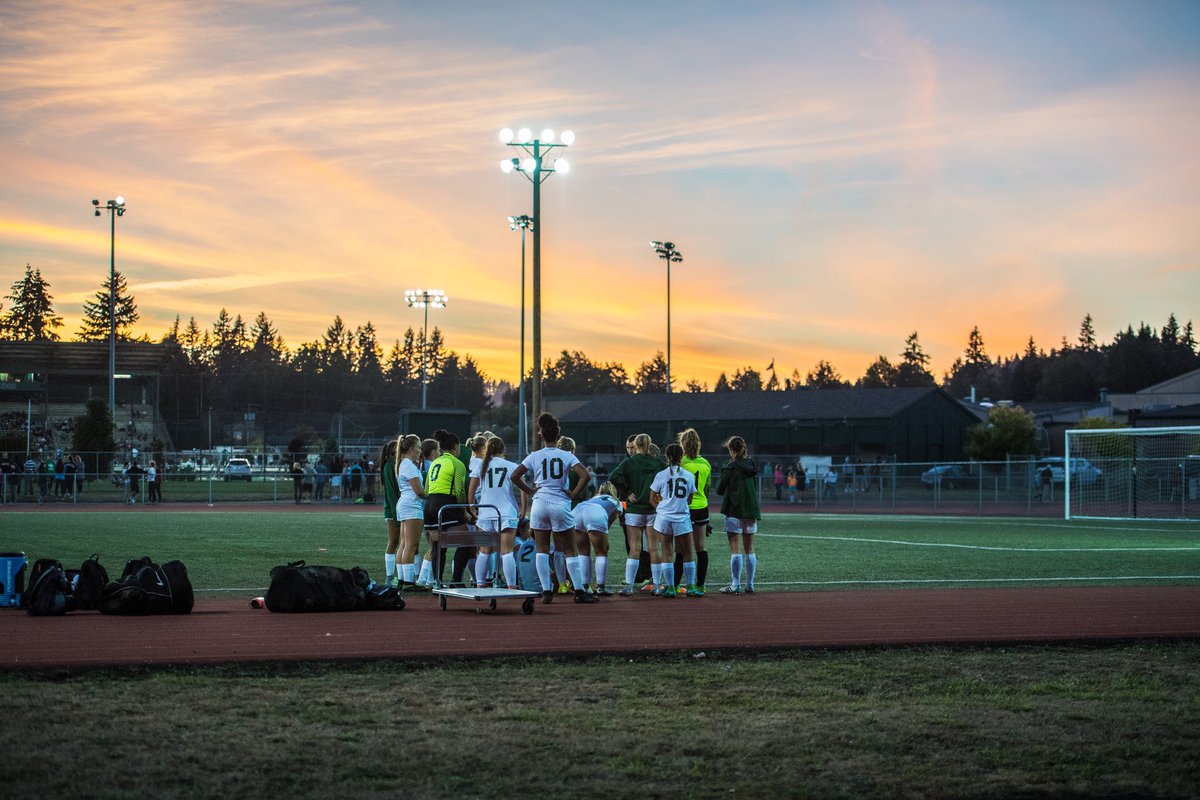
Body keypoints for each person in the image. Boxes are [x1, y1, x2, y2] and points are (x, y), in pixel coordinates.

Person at [511, 413, 596, 604]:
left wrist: (531, 490)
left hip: (540, 503)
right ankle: (580, 591)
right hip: (560, 502)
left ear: (541, 435)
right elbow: (585, 475)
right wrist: (573, 494)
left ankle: (547, 591)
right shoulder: (566, 455)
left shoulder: (535, 455)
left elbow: (515, 476)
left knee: (541, 548)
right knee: (570, 549)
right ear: (558, 438)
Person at [609, 433, 666, 596]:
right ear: (649, 445)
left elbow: (613, 477)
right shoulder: (657, 463)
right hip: (652, 509)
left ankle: (628, 586)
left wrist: (627, 491)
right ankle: (656, 586)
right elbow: (668, 477)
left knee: (634, 549)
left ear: (636, 445)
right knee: (654, 549)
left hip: (634, 510)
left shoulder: (629, 462)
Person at [416, 430, 470, 587]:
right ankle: (456, 580)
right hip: (445, 503)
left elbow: (426, 490)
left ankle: (437, 582)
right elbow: (459, 490)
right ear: (454, 447)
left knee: (437, 547)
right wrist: (463, 510)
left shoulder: (435, 462)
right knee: (466, 542)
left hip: (429, 505)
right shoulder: (457, 463)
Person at [471, 436, 523, 589]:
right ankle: (511, 586)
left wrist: (472, 506)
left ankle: (480, 585)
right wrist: (523, 507)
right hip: (505, 512)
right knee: (507, 552)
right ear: (503, 450)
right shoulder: (511, 465)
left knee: (484, 552)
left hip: (486, 512)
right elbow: (523, 488)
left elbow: (472, 488)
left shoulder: (481, 465)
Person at [650, 443, 698, 598]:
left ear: (667, 457)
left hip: (664, 518)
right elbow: (689, 500)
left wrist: (662, 505)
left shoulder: (661, 475)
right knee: (688, 553)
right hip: (682, 517)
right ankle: (690, 587)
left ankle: (670, 588)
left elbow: (651, 499)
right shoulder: (689, 475)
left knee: (666, 552)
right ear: (681, 457)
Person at [716, 435, 761, 594]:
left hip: (734, 510)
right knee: (750, 548)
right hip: (750, 510)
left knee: (735, 548)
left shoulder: (730, 466)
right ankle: (750, 585)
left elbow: (719, 489)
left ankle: (735, 585)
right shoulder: (752, 466)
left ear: (732, 450)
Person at [677, 428, 712, 595]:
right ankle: (700, 585)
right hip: (702, 507)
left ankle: (675, 585)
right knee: (700, 548)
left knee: (680, 549)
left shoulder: (680, 462)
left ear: (682, 444)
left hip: (684, 508)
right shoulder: (706, 463)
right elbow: (707, 487)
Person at [573, 483, 622, 595]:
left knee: (583, 552)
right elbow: (609, 521)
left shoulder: (593, 498)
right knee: (601, 552)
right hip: (596, 513)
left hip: (578, 511)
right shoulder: (616, 502)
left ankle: (585, 587)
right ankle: (601, 587)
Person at [378, 437, 402, 587]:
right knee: (393, 541)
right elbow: (392, 494)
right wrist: (395, 514)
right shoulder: (389, 466)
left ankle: (404, 575)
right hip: (393, 510)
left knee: (403, 542)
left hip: (396, 509)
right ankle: (389, 577)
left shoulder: (395, 465)